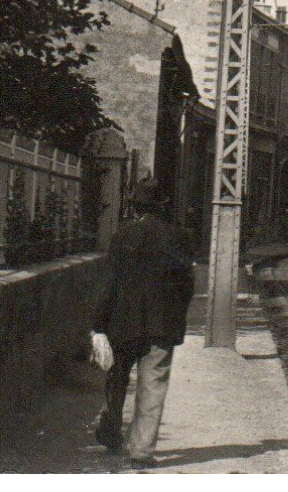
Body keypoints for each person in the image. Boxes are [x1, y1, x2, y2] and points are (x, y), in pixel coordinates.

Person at [93, 181, 196, 464]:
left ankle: (111, 427)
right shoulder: (179, 238)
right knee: (153, 385)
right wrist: (177, 316)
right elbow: (187, 285)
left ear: (135, 206)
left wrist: (98, 325)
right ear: (163, 207)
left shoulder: (122, 236)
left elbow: (110, 284)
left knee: (117, 378)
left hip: (123, 323)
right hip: (162, 325)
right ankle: (141, 450)